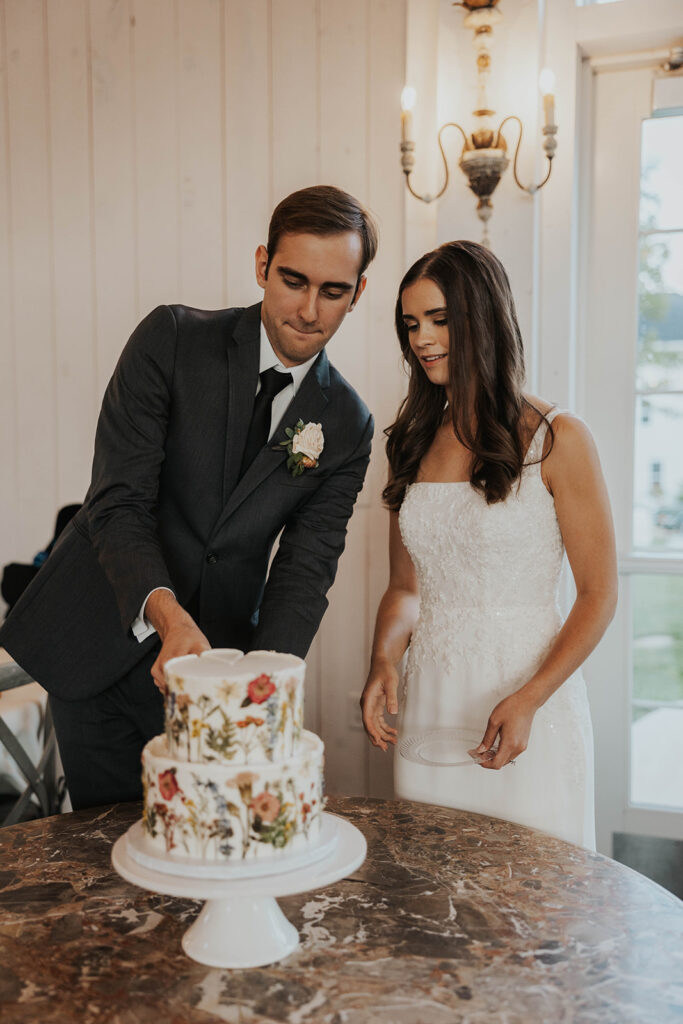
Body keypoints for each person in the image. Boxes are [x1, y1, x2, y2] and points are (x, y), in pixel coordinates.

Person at [0, 185, 377, 811]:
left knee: (206, 857)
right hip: (97, 635)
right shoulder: (172, 339)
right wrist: (169, 619)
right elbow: (118, 502)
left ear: (357, 293)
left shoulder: (347, 425)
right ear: (262, 265)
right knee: (107, 857)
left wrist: (258, 687)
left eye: (333, 291)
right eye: (293, 280)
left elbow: (304, 571)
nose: (309, 309)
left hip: (213, 670)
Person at [360, 241, 617, 848]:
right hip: (433, 705)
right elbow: (404, 589)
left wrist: (530, 698)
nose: (422, 339)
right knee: (439, 894)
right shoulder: (412, 442)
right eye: (411, 324)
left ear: (483, 318)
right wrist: (382, 660)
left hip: (531, 699)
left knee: (531, 905)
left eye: (440, 320)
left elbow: (599, 593)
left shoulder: (559, 438)